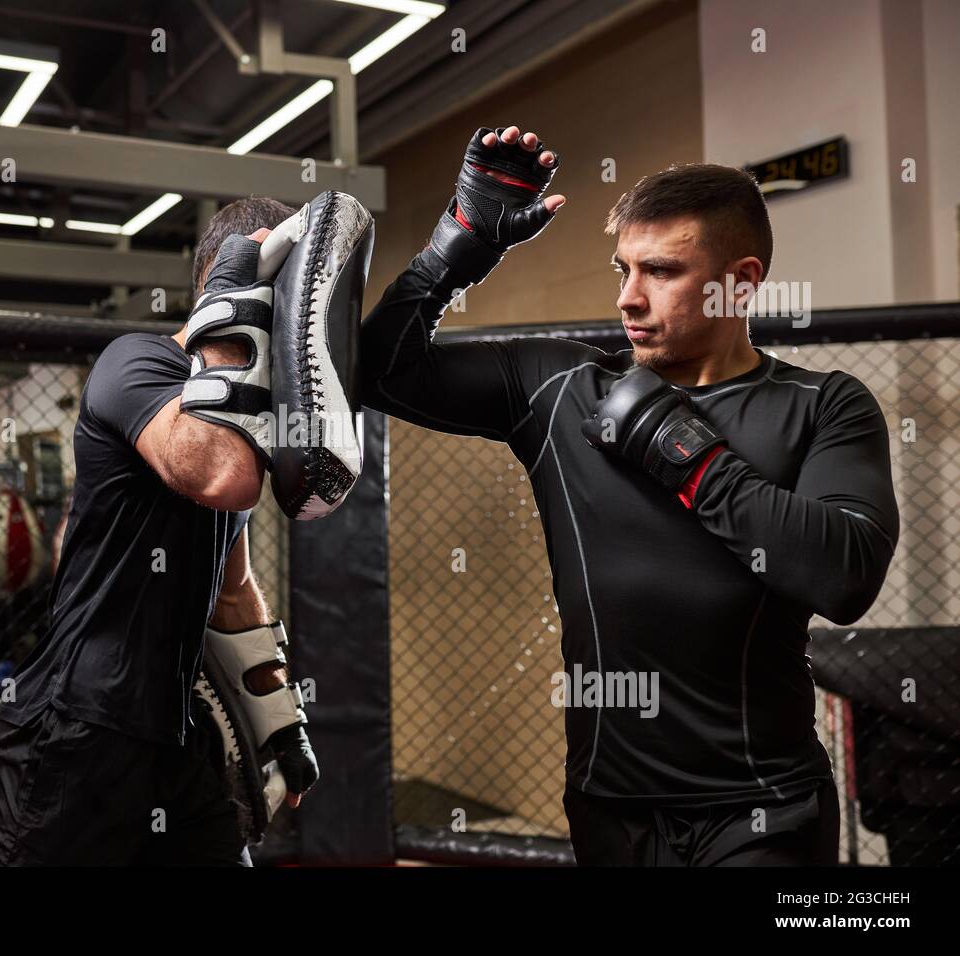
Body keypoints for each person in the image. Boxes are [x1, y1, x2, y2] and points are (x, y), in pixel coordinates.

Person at [359, 125, 899, 866]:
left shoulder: (823, 405)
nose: (628, 299)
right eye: (622, 270)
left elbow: (843, 576)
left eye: (662, 272)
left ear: (740, 281)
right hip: (608, 807)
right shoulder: (559, 385)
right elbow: (378, 373)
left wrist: (681, 452)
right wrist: (454, 250)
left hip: (762, 809)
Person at [0, 198, 319, 866]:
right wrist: (233, 310)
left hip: (174, 733)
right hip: (72, 730)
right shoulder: (135, 364)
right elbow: (215, 473)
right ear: (233, 277)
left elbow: (234, 590)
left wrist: (281, 723)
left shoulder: (244, 416)